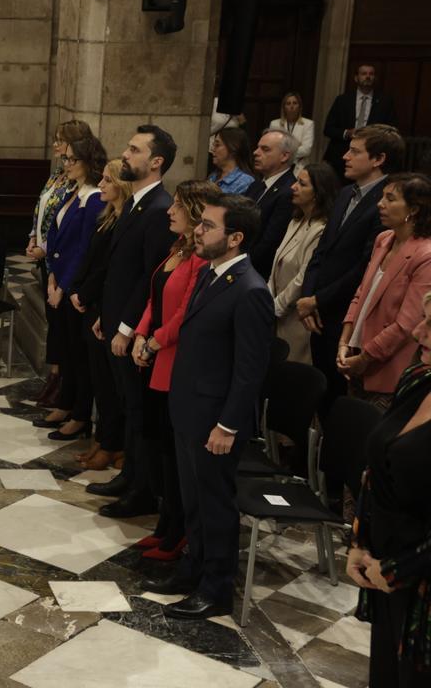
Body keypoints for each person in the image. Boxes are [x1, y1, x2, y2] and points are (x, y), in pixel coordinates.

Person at [148, 194, 273, 620]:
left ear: (235, 237)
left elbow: (249, 371)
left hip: (215, 420)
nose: (197, 231)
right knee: (193, 500)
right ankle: (194, 570)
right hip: (189, 410)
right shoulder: (211, 275)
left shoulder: (251, 291)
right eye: (199, 223)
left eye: (208, 226)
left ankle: (216, 588)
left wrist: (228, 426)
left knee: (215, 504)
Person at [89, 125, 176, 519]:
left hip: (130, 328)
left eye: (134, 149)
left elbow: (148, 277)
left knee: (139, 409)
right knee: (126, 402)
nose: (125, 154)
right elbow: (117, 269)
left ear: (155, 162)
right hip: (114, 320)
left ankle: (141, 490)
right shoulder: (139, 203)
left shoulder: (159, 210)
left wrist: (126, 327)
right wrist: (105, 318)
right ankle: (128, 477)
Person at [132, 180, 221, 562]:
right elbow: (157, 296)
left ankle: (177, 531)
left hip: (175, 359)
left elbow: (185, 312)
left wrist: (155, 341)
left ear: (197, 212)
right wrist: (140, 332)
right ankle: (165, 524)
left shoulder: (201, 260)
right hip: (156, 354)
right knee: (160, 447)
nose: (170, 211)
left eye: (179, 206)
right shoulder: (178, 248)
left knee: (174, 450)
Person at [347, 292, 431, 688]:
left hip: (418, 583)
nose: (418, 331)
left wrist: (397, 570)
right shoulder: (418, 379)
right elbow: (373, 469)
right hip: (383, 569)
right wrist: (359, 543)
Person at [300, 124, 400, 412]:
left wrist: (318, 299)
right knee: (321, 397)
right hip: (319, 312)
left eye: (355, 152)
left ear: (378, 159)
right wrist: (308, 297)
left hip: (346, 313)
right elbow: (322, 250)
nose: (345, 156)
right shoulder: (345, 194)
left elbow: (365, 266)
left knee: (339, 402)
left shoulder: (386, 201)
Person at [338, 174, 431, 406]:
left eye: (390, 199)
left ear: (414, 209)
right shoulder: (384, 239)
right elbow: (361, 294)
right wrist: (344, 342)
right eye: (382, 197)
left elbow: (406, 325)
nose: (380, 204)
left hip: (388, 368)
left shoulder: (425, 255)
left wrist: (365, 358)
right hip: (356, 356)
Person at [39, 136, 106, 440]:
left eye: (71, 160)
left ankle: (80, 414)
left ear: (88, 162)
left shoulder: (94, 198)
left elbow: (83, 248)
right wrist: (52, 276)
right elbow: (56, 233)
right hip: (59, 278)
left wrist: (63, 285)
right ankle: (65, 403)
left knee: (78, 354)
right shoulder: (73, 191)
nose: (65, 164)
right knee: (65, 349)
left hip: (73, 284)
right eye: (64, 159)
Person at [69, 161, 132, 471]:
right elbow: (90, 259)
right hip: (93, 305)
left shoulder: (125, 222)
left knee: (109, 384)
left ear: (121, 185)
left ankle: (111, 444)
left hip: (104, 304)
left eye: (108, 180)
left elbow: (109, 269)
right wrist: (77, 288)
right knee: (98, 379)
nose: (102, 185)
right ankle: (103, 440)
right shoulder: (107, 217)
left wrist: (85, 293)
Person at [26, 119, 92, 406]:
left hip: (61, 263)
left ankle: (61, 382)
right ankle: (54, 378)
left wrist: (46, 248)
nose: (55, 145)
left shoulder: (82, 179)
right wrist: (33, 238)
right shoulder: (57, 174)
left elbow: (70, 229)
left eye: (60, 140)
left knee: (63, 327)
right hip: (45, 257)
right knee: (53, 324)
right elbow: (42, 209)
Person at [269, 163, 337, 364]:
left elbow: (303, 276)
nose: (293, 187)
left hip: (295, 317)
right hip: (276, 309)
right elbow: (277, 266)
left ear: (318, 193)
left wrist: (276, 306)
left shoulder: (321, 228)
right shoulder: (295, 221)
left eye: (302, 184)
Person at [323, 64, 398, 179]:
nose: (368, 77)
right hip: (341, 156)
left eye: (371, 74)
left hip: (370, 156)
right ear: (356, 78)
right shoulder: (343, 100)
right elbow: (328, 129)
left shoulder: (385, 102)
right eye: (364, 74)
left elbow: (391, 130)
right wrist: (347, 133)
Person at [246, 129, 299, 281]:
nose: (256, 152)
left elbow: (269, 243)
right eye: (257, 147)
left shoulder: (288, 191)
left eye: (265, 149)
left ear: (284, 156)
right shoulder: (256, 185)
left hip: (257, 273)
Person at [268, 91, 314, 166]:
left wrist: (283, 152)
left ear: (299, 107)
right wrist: (297, 145)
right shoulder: (275, 124)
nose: (291, 106)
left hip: (299, 166)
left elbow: (306, 150)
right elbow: (273, 147)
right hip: (279, 165)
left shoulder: (308, 124)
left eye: (295, 103)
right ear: (284, 107)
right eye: (288, 103)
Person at [207, 127, 254, 195]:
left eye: (217, 145)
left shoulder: (245, 182)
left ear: (233, 147)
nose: (212, 149)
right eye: (213, 145)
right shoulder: (213, 176)